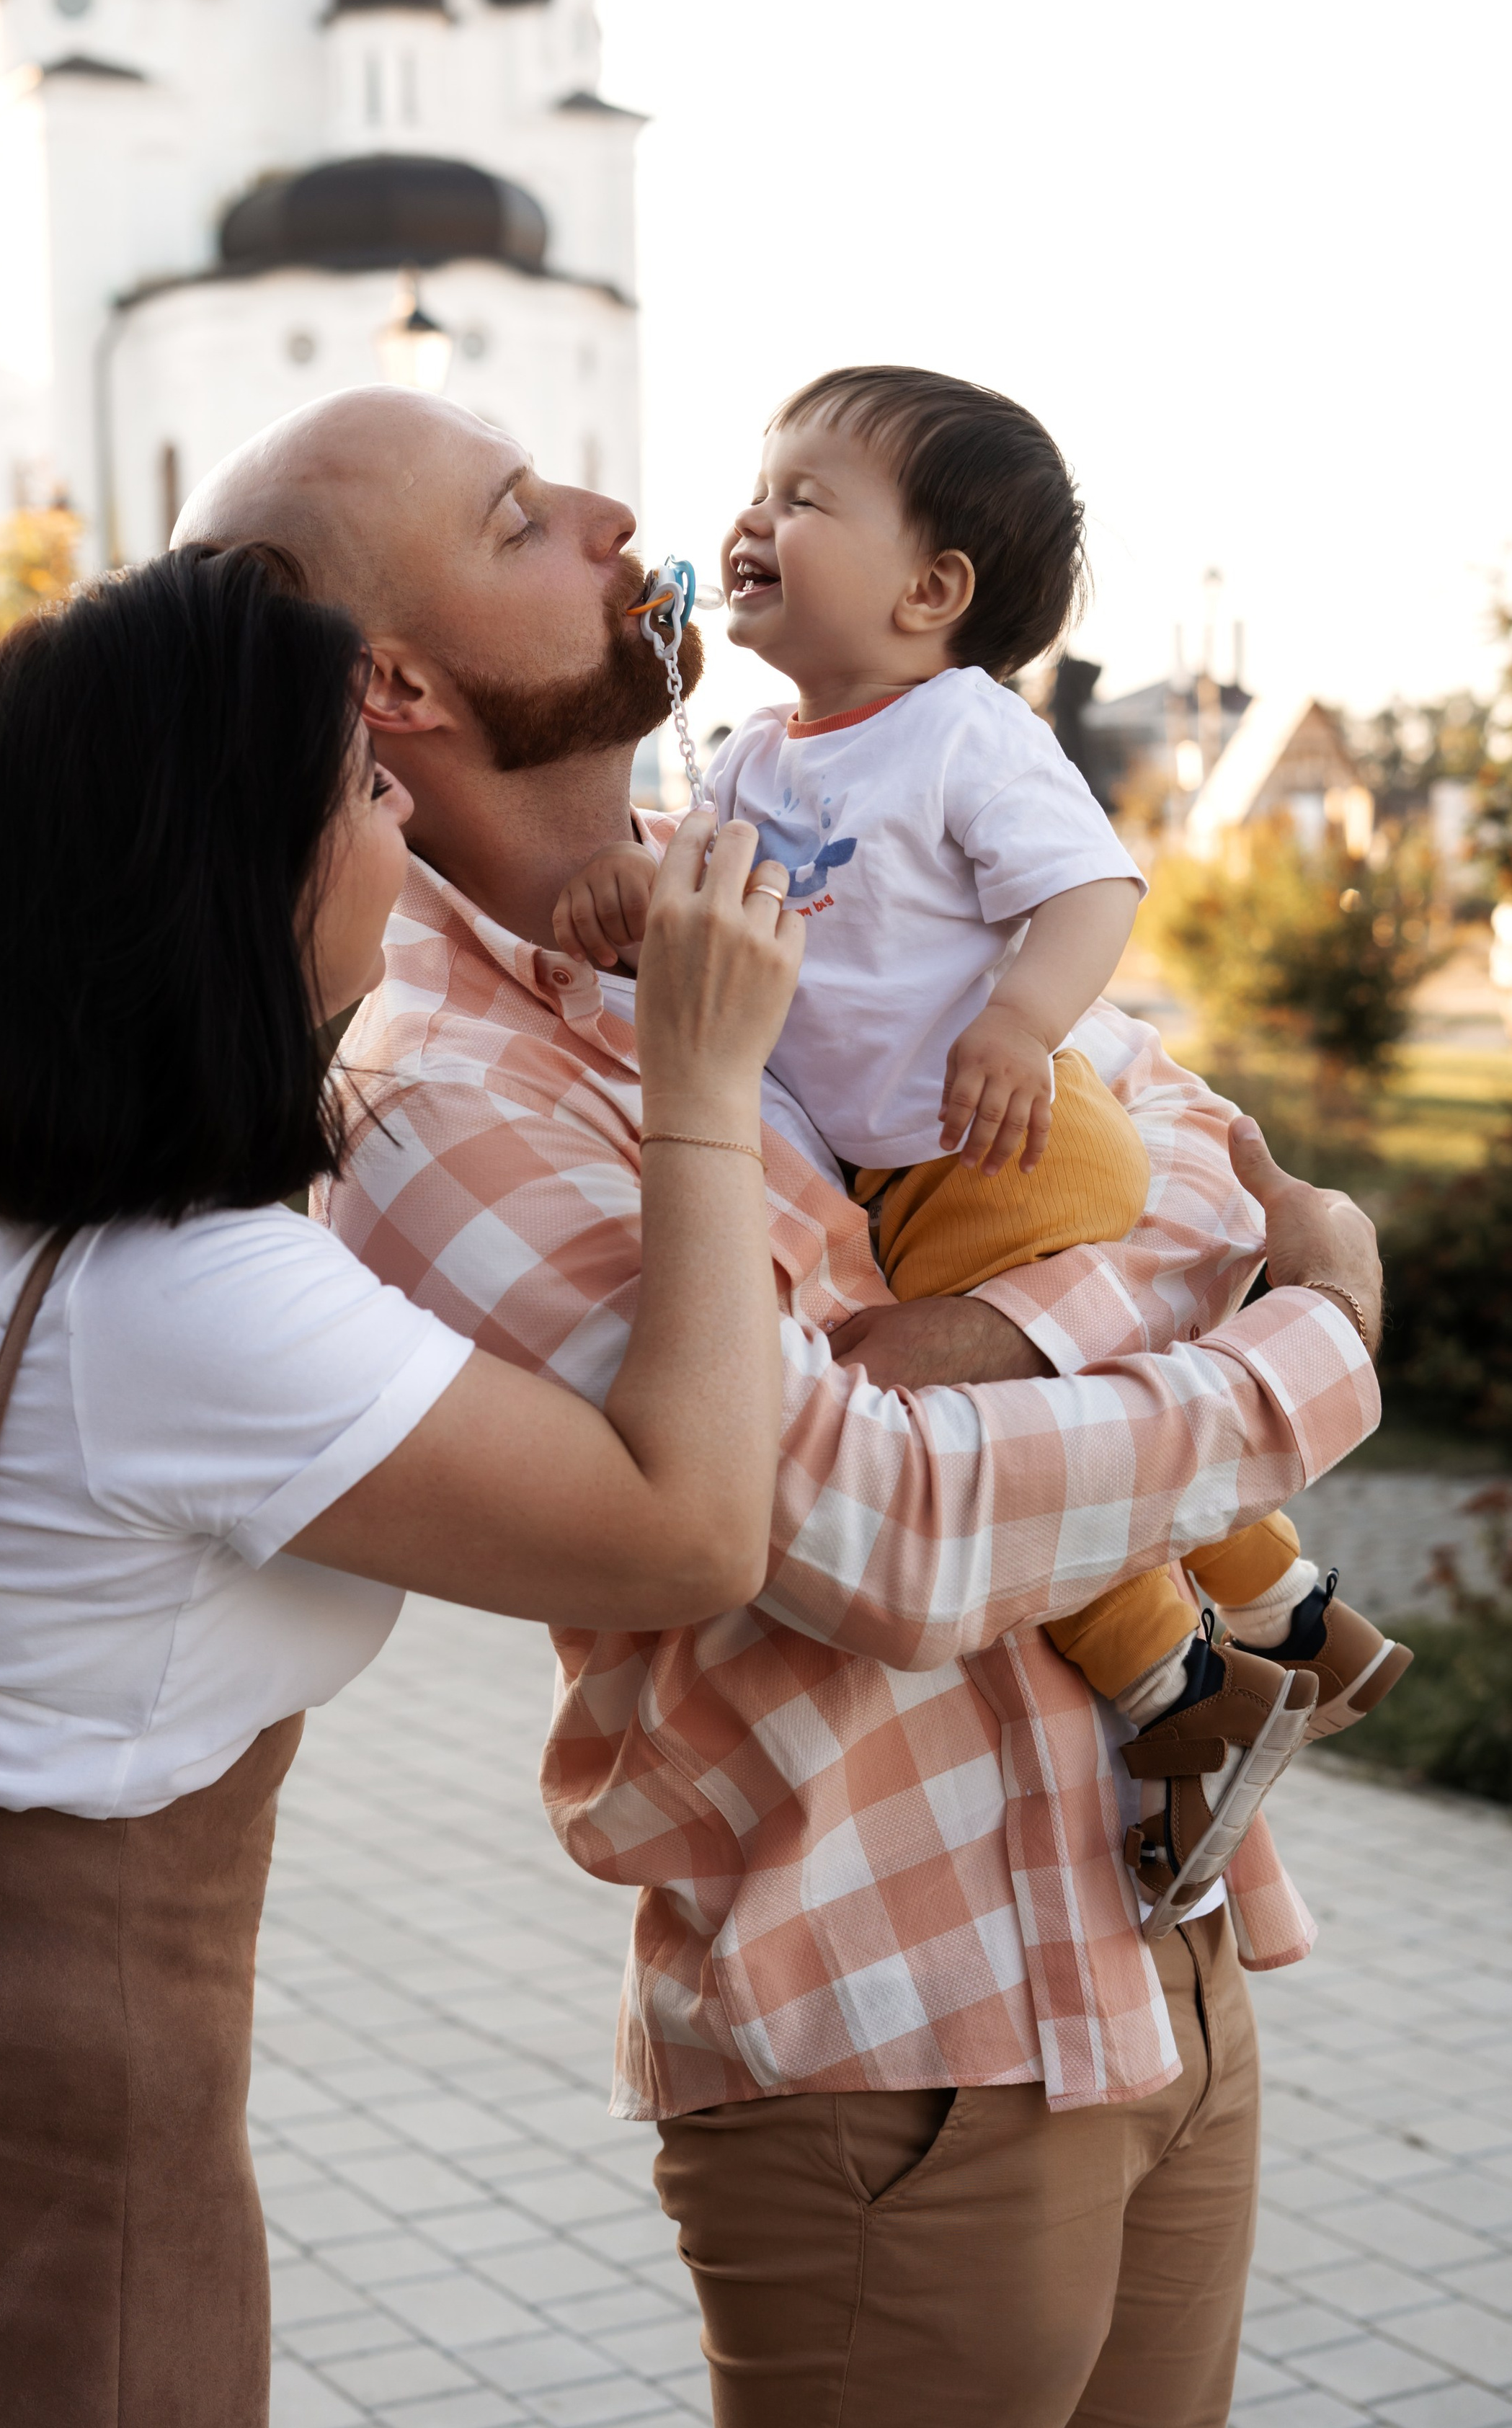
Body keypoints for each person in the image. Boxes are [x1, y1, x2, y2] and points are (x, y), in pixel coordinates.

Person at [175, 390, 1386, 2428]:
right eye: (529, 517)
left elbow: (1169, 1126)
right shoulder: (442, 1093)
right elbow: (865, 1529)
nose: (634, 512)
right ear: (403, 690)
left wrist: (992, 1334)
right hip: (900, 2057)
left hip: (1159, 1952)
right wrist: (1306, 1352)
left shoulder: (771, 843)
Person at [0, 542, 804, 2428]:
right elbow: (693, 1529)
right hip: (25, 2061)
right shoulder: (190, 1300)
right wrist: (703, 1088)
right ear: (241, 868)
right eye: (367, 798)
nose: (407, 828)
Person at [557, 363, 1410, 1939]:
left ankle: (1181, 1686)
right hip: (908, 1175)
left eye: (805, 497)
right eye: (759, 482)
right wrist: (632, 894)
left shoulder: (958, 731)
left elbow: (1089, 890)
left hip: (1010, 1146)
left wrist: (1017, 1025)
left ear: (930, 591)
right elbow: (715, 901)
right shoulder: (750, 759)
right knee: (1099, 1415)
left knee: (1036, 1438)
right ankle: (1295, 1617)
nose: (752, 515)